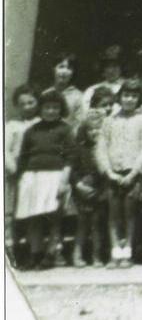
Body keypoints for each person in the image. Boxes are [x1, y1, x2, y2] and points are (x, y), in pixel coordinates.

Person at [15, 91, 75, 270]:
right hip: (33, 177)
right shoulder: (31, 131)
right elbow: (23, 158)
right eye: (47, 107)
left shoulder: (65, 129)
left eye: (55, 108)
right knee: (35, 218)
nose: (51, 111)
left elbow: (70, 157)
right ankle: (35, 253)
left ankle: (51, 254)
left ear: (60, 109)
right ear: (40, 109)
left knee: (54, 217)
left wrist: (64, 180)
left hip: (55, 176)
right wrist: (22, 179)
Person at [97, 80, 142, 268]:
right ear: (119, 97)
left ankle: (127, 251)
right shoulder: (109, 120)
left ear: (139, 99)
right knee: (113, 215)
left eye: (134, 96)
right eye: (126, 95)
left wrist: (134, 173)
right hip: (113, 173)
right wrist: (109, 171)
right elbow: (101, 148)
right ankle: (115, 252)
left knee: (130, 214)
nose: (129, 99)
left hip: (132, 173)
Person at [5, 85, 40, 257]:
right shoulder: (12, 125)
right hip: (17, 174)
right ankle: (13, 247)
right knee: (14, 211)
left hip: (38, 173)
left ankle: (33, 249)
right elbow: (5, 150)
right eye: (23, 104)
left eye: (31, 102)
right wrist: (13, 169)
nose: (27, 107)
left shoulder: (42, 123)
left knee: (34, 211)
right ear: (17, 106)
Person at [70, 114, 107, 268]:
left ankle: (97, 255)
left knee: (97, 224)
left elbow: (107, 172)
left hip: (100, 191)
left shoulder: (105, 149)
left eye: (98, 129)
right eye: (91, 129)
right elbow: (73, 170)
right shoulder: (80, 149)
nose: (94, 132)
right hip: (82, 191)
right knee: (83, 224)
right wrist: (79, 185)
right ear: (84, 131)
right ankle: (77, 254)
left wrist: (101, 190)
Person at [44, 52, 86, 132]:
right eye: (61, 67)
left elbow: (79, 125)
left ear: (73, 72)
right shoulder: (45, 94)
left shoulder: (79, 97)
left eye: (69, 68)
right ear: (54, 69)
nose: (64, 72)